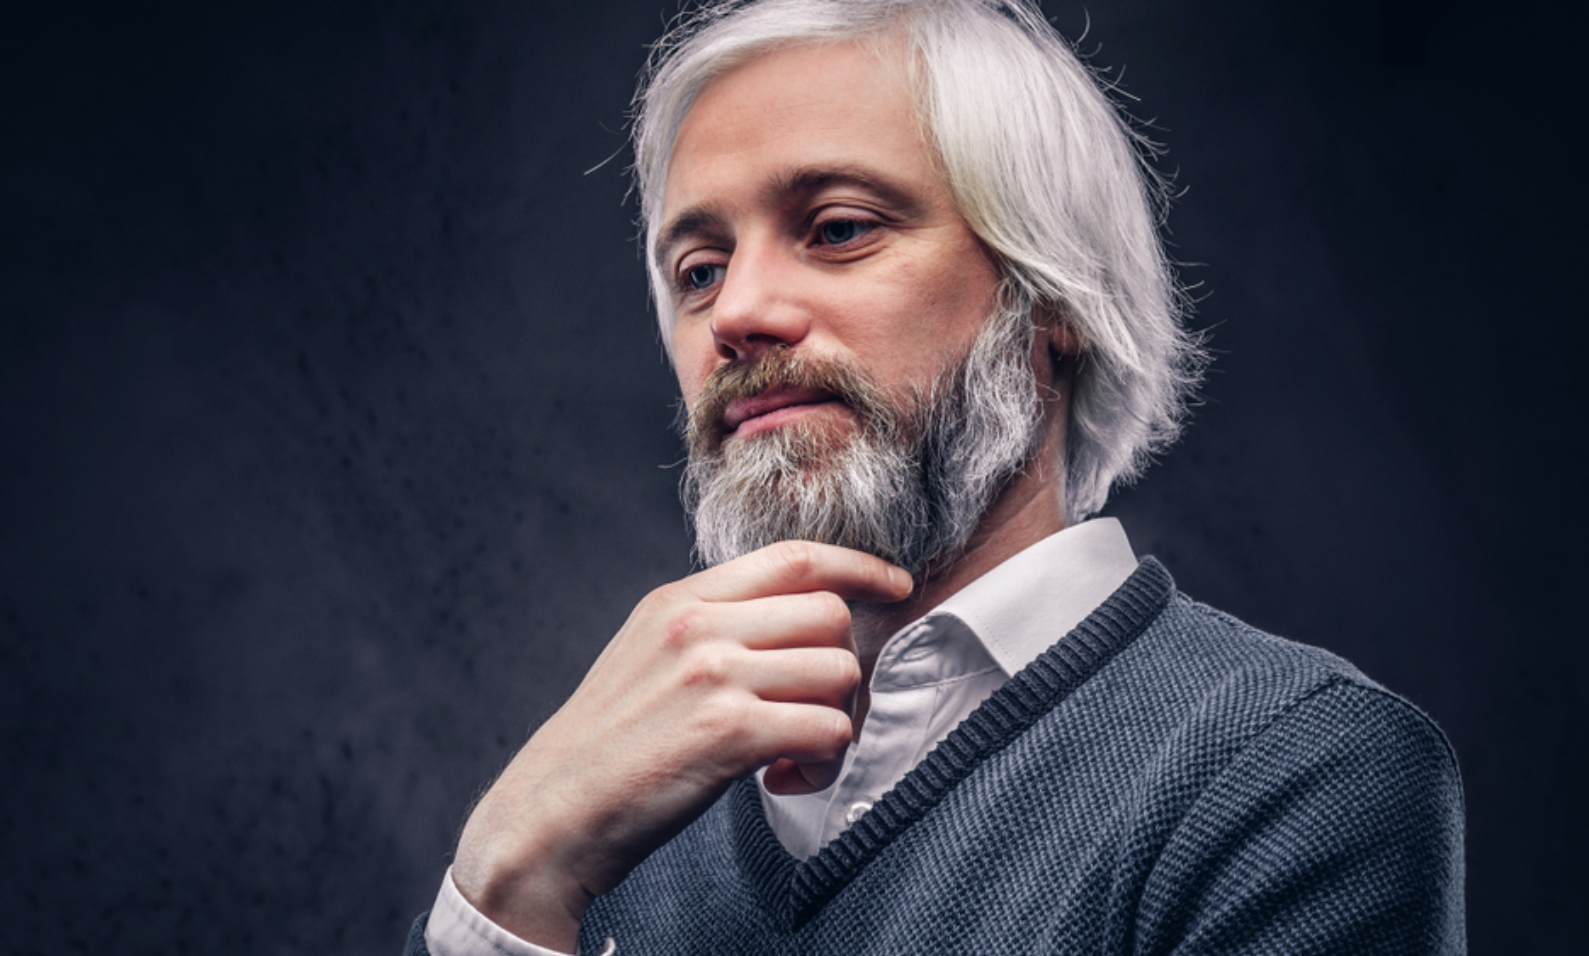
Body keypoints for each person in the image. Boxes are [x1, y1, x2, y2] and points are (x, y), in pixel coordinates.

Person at [405, 1, 1465, 953]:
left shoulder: (1295, 769)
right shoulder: (605, 825)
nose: (733, 314)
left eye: (837, 228)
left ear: (1053, 294)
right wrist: (504, 882)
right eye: (698, 269)